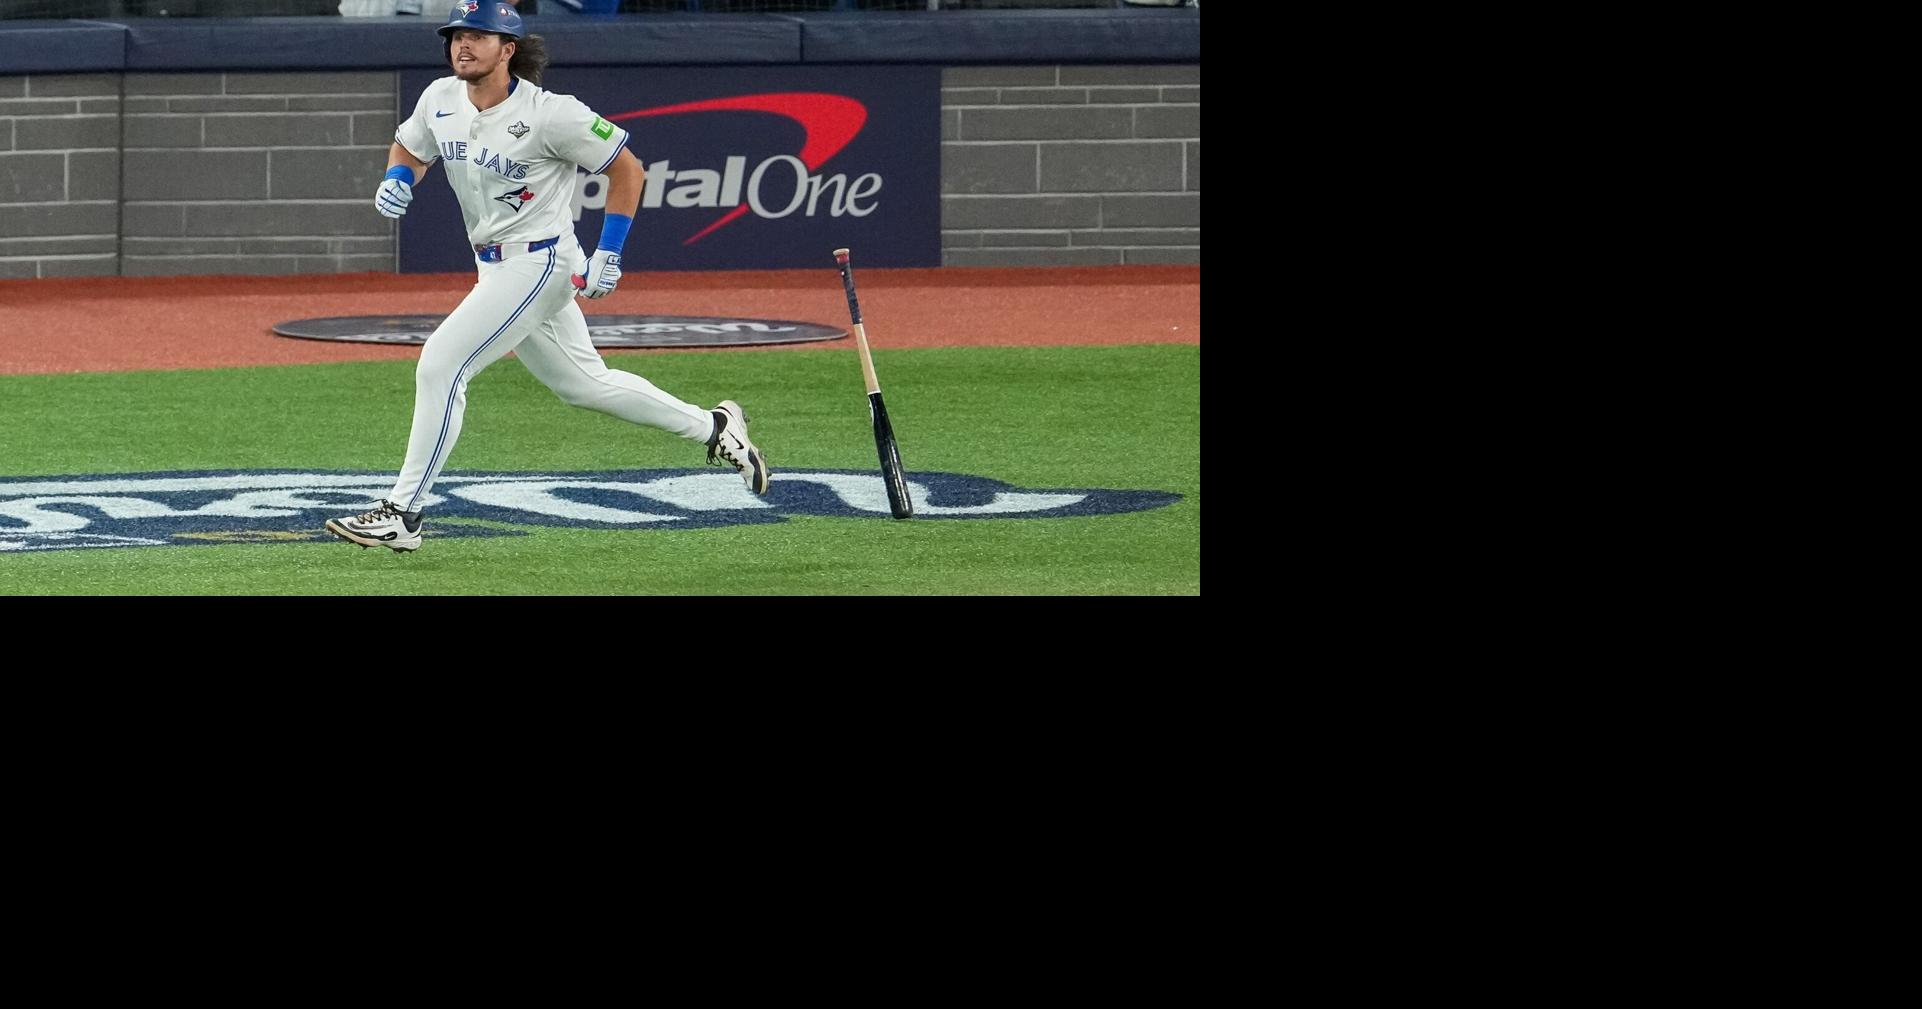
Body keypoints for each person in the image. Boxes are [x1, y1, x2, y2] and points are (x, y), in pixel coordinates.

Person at [326, 1, 768, 553]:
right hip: (494, 265)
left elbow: (626, 167)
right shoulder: (439, 98)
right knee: (584, 384)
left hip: (540, 263)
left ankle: (403, 513)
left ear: (507, 49)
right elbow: (412, 148)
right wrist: (398, 176)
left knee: (441, 365)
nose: (463, 45)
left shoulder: (552, 113)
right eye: (457, 35)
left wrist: (610, 251)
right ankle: (714, 427)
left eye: (479, 36)